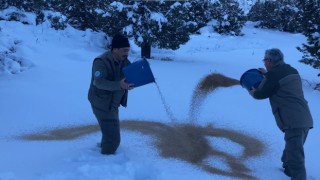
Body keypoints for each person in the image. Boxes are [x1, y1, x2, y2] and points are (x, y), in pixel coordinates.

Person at [249, 48, 313, 180]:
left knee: (296, 157)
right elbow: (279, 81)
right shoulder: (291, 70)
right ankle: (286, 171)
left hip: (293, 120)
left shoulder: (274, 75)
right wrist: (267, 74)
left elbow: (261, 94)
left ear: (270, 60)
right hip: (304, 117)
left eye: (265, 60)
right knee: (293, 148)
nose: (264, 62)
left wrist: (253, 92)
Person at [88, 34, 134, 155]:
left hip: (113, 103)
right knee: (114, 139)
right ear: (115, 49)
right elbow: (98, 82)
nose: (126, 53)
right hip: (101, 103)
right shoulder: (101, 62)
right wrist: (120, 85)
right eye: (124, 50)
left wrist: (142, 74)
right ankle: (106, 161)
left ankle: (104, 146)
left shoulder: (124, 61)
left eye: (128, 50)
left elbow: (131, 74)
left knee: (110, 130)